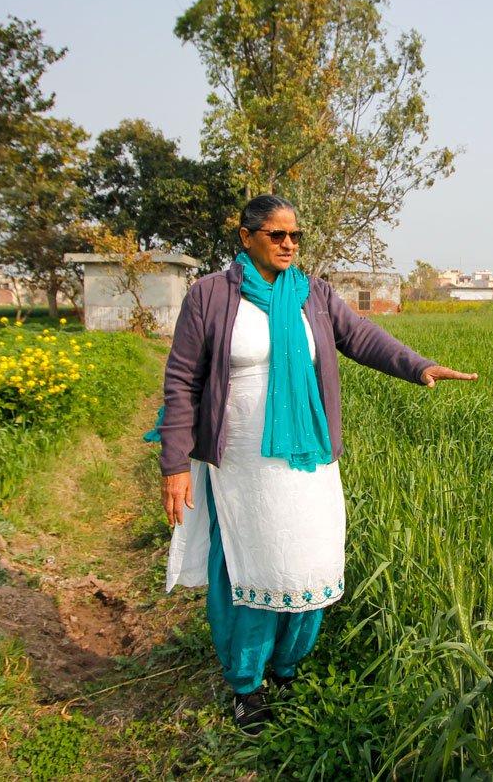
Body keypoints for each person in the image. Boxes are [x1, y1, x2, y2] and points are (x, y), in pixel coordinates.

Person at [153, 194, 476, 734]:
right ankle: (246, 685)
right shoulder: (209, 296)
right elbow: (183, 380)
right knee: (248, 567)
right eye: (277, 235)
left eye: (295, 236)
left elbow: (362, 338)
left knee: (307, 562)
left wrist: (419, 366)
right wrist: (174, 465)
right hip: (240, 463)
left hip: (308, 459)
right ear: (246, 237)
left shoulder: (314, 295)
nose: (288, 244)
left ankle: (287, 668)